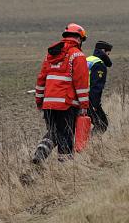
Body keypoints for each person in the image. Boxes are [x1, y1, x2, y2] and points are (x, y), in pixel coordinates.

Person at [32, 23, 90, 163]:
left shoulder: (50, 55)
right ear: (79, 38)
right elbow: (81, 83)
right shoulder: (77, 55)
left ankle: (41, 150)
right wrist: (84, 105)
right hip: (66, 104)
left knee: (54, 131)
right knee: (66, 135)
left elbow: (41, 80)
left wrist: (39, 101)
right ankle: (65, 167)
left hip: (48, 104)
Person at [86, 41, 112, 133]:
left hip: (78, 97)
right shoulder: (99, 64)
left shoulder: (88, 59)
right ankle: (91, 145)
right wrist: (95, 105)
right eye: (108, 53)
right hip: (88, 100)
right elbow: (96, 87)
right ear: (104, 51)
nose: (109, 56)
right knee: (102, 124)